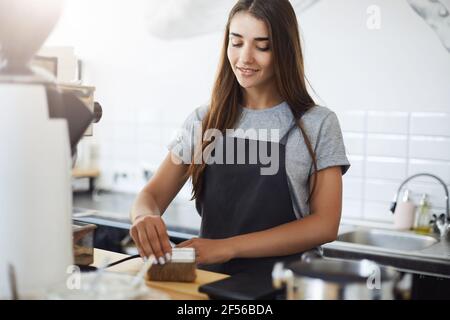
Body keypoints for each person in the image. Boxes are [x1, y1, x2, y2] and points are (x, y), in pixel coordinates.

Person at [130, 0, 350, 275]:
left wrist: (229, 246)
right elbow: (151, 195)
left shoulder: (317, 124)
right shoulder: (203, 121)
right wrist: (144, 216)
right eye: (236, 43)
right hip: (211, 282)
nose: (245, 58)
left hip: (286, 285)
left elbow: (325, 224)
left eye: (262, 46)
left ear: (284, 50)